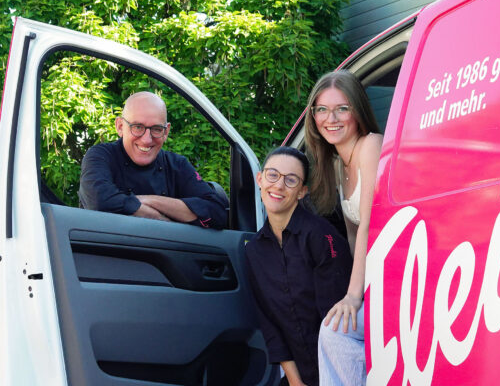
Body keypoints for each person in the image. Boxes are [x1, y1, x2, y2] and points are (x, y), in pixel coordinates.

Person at [245, 147, 353, 386]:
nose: (279, 185)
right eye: (272, 175)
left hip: (340, 366)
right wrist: (295, 381)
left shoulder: (322, 236)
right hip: (299, 375)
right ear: (260, 179)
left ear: (302, 192)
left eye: (291, 180)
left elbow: (338, 322)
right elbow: (270, 324)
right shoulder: (254, 250)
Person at [304, 70, 383, 385]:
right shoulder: (338, 165)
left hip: (402, 273)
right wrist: (358, 293)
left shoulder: (370, 145)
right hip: (376, 281)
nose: (331, 118)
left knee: (335, 330)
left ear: (358, 111)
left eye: (342, 108)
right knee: (335, 326)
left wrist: (353, 295)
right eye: (322, 109)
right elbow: (352, 234)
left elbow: (368, 224)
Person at [78, 91, 228, 229]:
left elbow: (217, 212)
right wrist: (162, 219)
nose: (146, 139)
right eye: (137, 127)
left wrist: (149, 201)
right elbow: (99, 201)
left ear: (166, 132)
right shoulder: (100, 155)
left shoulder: (177, 164)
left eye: (156, 129)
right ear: (120, 126)